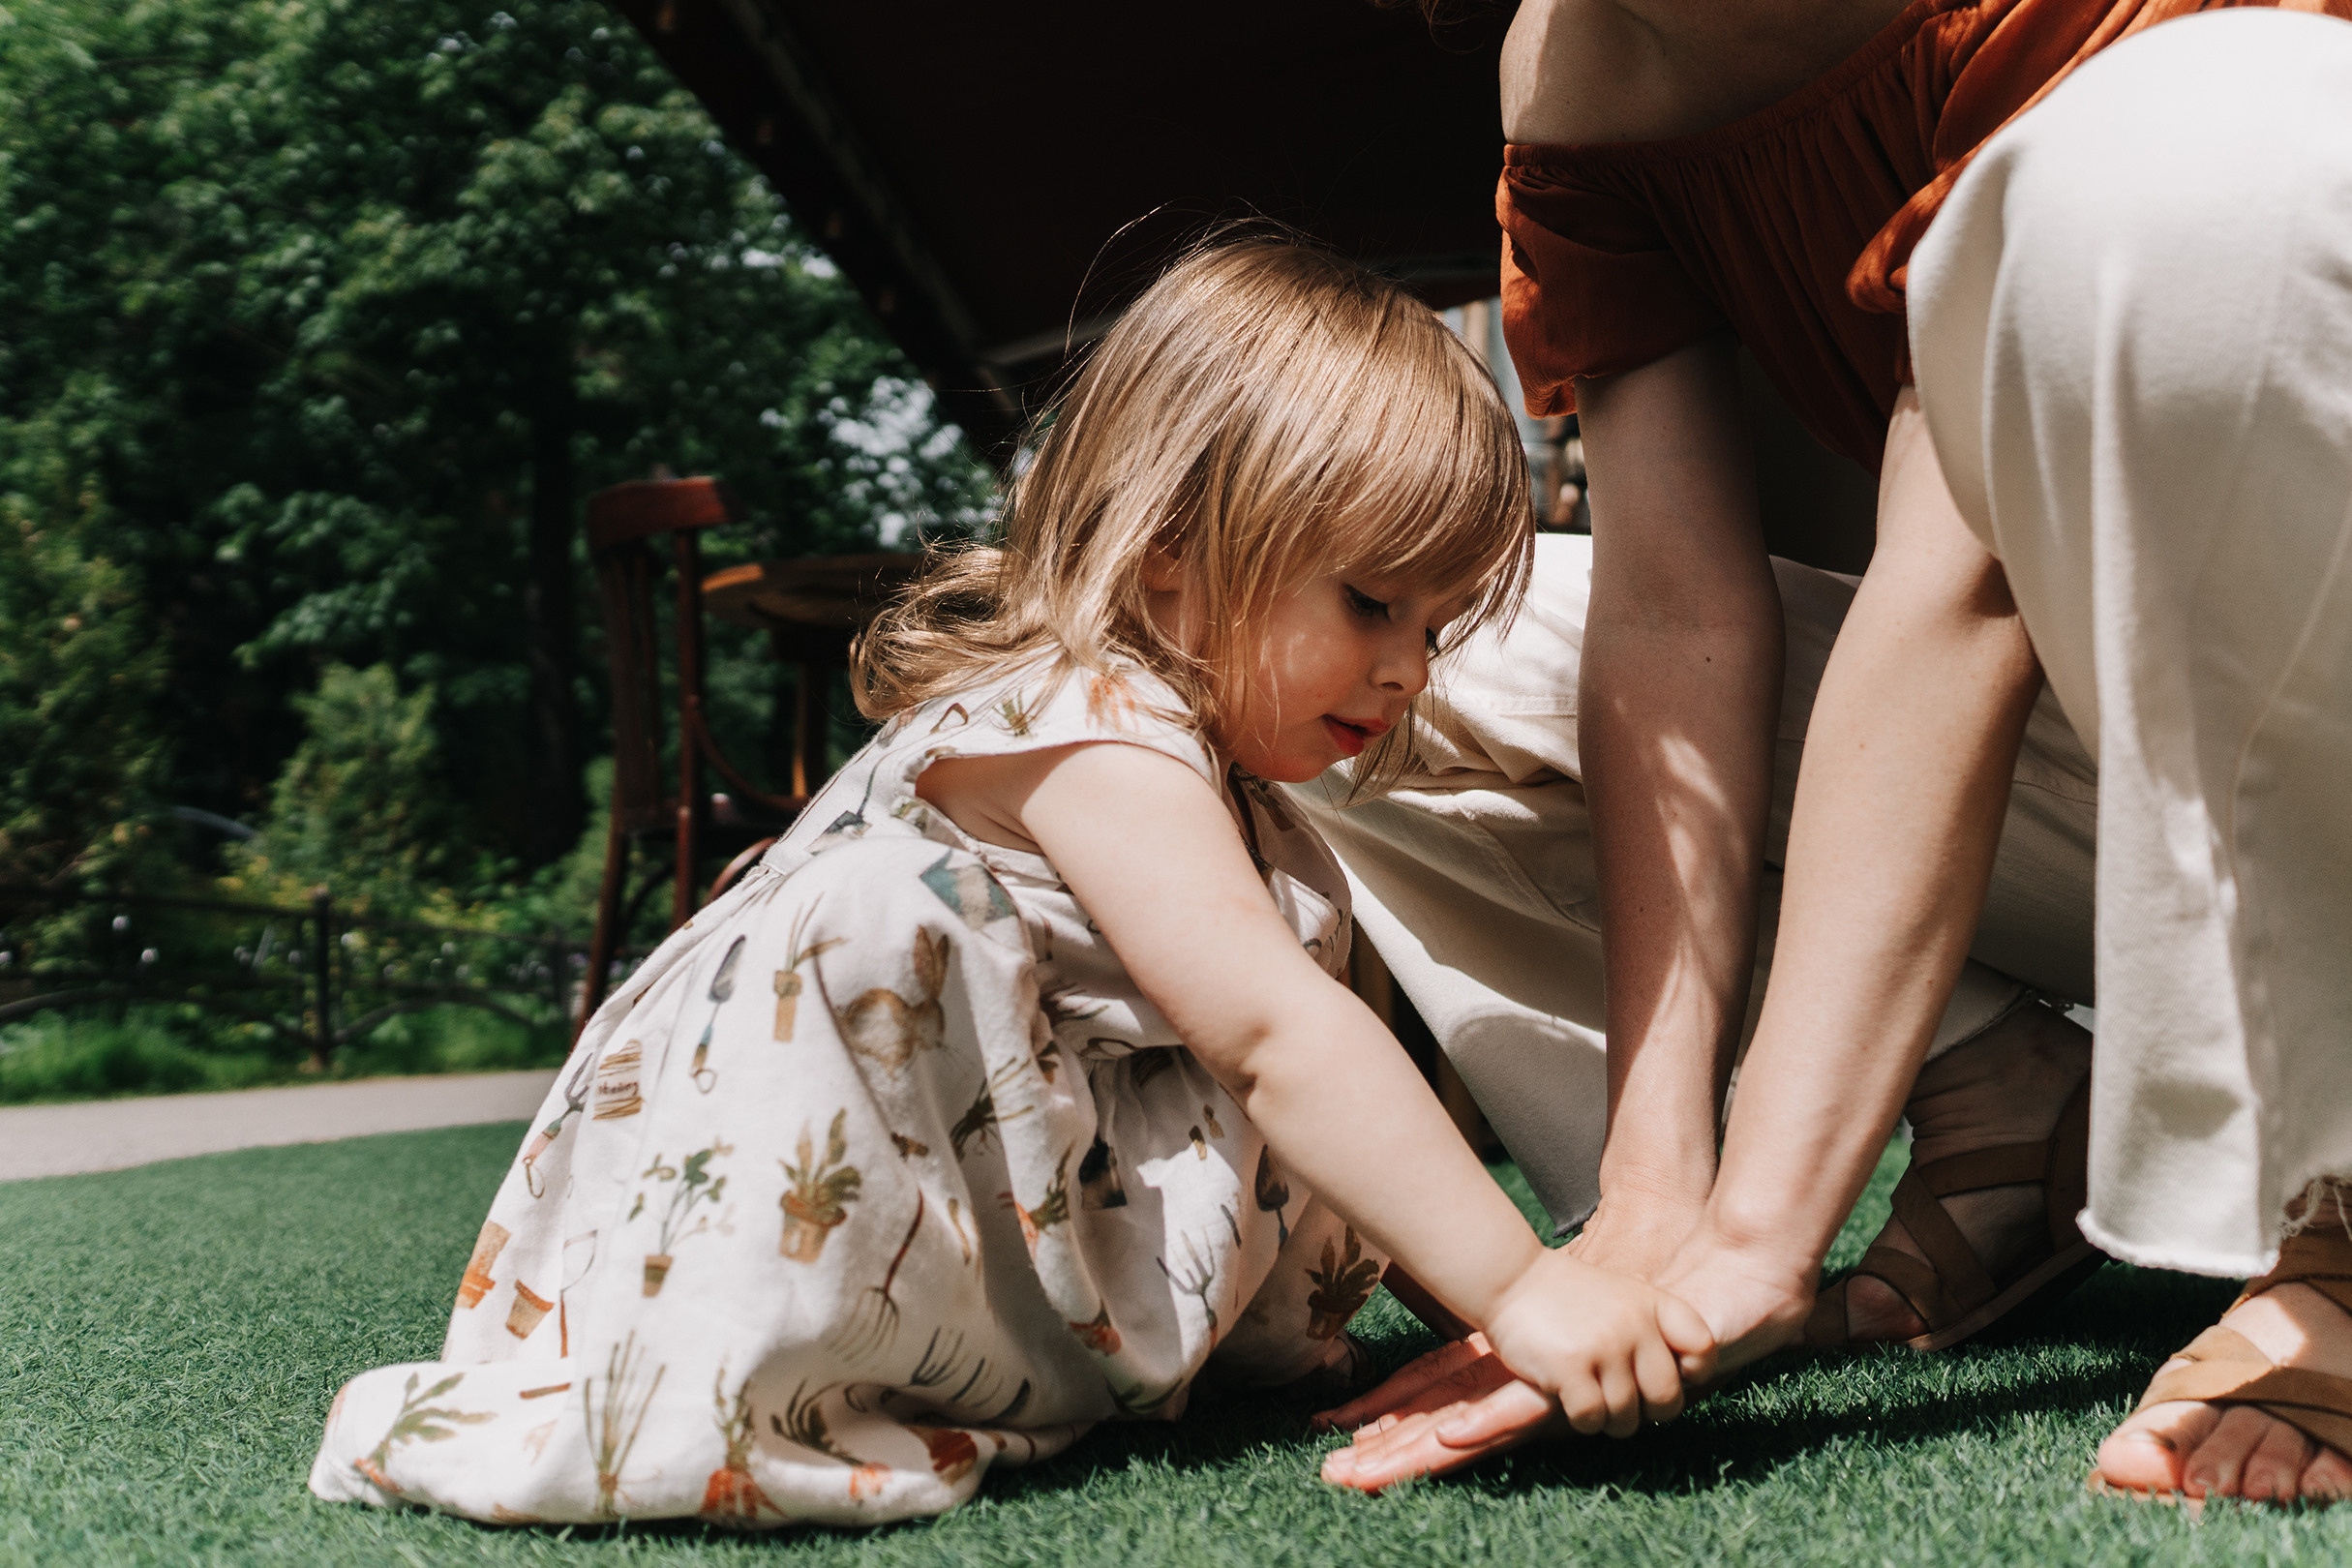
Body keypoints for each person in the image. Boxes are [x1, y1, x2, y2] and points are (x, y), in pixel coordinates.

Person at [306, 238, 1715, 1529]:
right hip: (815, 1161)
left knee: (1295, 935)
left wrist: (1466, 1305)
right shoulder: (1093, 721)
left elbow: (1308, 1078)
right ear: (1172, 548)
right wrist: (1524, 1287)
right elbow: (1275, 1043)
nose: (1407, 667)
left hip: (1004, 1176)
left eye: (1432, 621)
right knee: (1159, 968)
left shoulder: (1220, 771)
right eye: (1369, 602)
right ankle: (764, 1370)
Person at [1319, 0, 2352, 1508]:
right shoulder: (1569, 60)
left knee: (2181, 154)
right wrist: (1657, 1195)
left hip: (2306, 675)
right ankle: (1998, 1096)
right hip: (2135, 767)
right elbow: (1672, 618)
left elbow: (1960, 589)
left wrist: (1759, 1240)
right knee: (1390, 673)